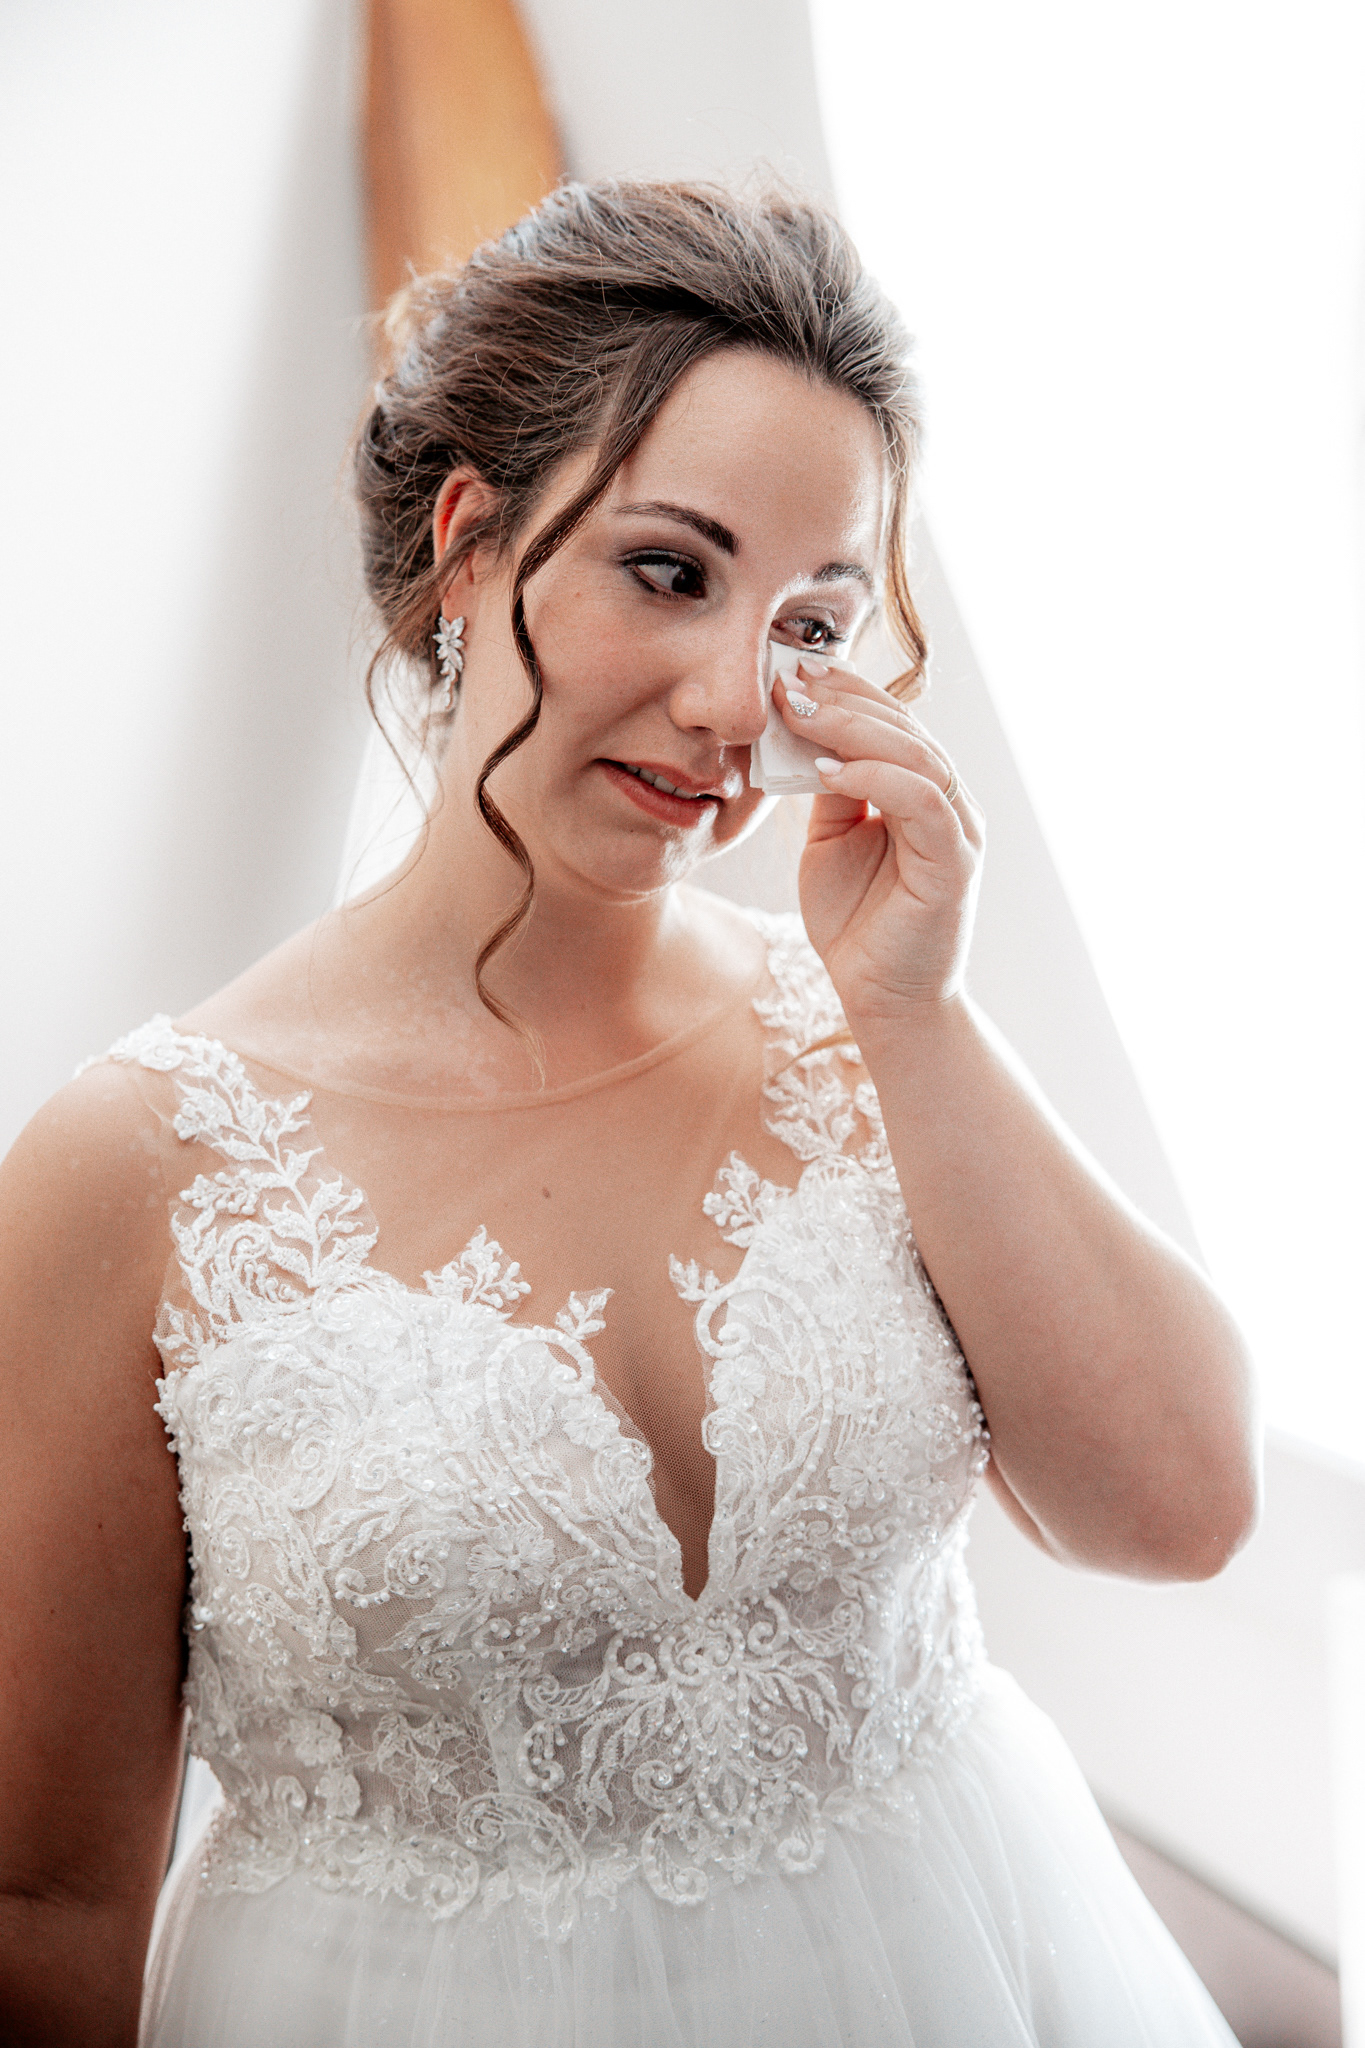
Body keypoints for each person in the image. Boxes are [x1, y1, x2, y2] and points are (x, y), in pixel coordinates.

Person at [0, 179, 1258, 2047]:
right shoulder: (138, 1168)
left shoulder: (862, 1031)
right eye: (669, 572)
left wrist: (915, 1008)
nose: (733, 706)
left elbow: (1178, 1509)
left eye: (811, 624)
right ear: (471, 546)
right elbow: (52, 1890)